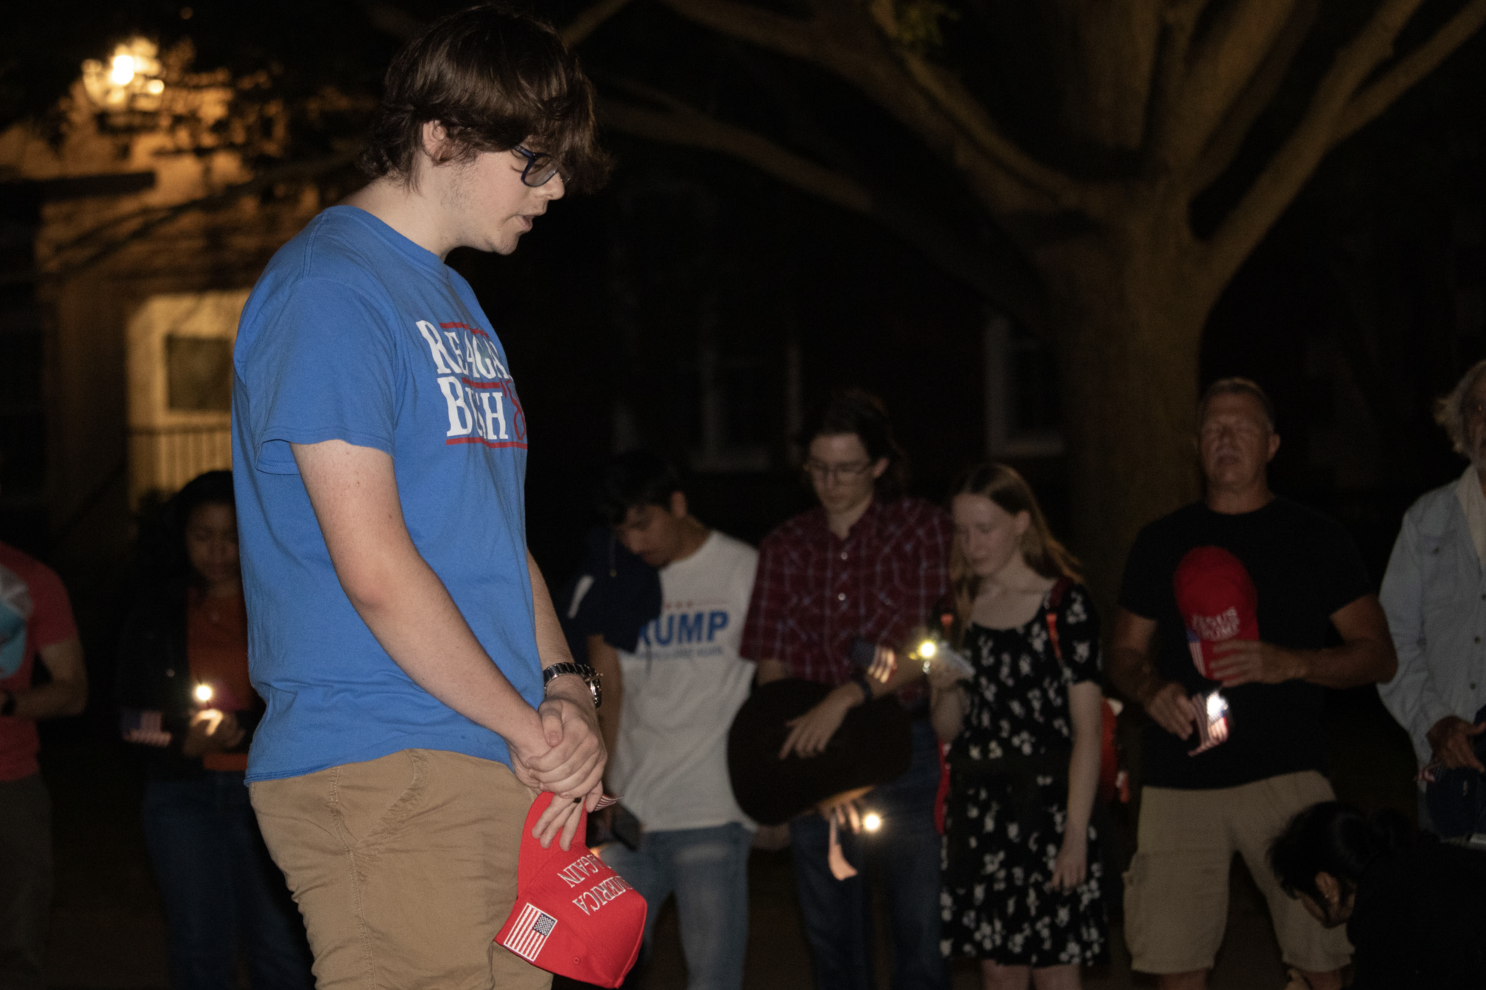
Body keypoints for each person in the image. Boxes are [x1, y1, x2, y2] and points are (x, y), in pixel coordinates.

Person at [229, 8, 611, 988]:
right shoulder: (329, 291)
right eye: (534, 161)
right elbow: (376, 567)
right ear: (442, 136)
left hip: (487, 753)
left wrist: (563, 690)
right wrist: (528, 731)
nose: (555, 188)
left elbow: (491, 538)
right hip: (383, 760)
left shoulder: (453, 300)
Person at [1109, 377, 1397, 990]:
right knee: (1175, 962)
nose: (1226, 438)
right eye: (1213, 428)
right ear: (1196, 444)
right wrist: (1149, 688)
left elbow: (1377, 655)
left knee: (1321, 958)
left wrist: (1292, 663)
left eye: (1241, 427)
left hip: (1288, 774)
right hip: (1180, 777)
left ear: (1272, 444)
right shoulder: (1161, 541)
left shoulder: (1316, 537)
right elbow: (1124, 653)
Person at [740, 388, 953, 990]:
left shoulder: (922, 530)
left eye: (846, 469)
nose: (830, 483)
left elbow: (930, 649)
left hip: (905, 751)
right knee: (834, 944)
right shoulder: (784, 546)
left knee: (920, 938)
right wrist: (812, 769)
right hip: (814, 752)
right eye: (818, 468)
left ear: (879, 465)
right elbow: (771, 669)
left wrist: (848, 695)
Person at [116, 471, 313, 990]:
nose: (219, 551)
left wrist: (243, 731)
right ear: (181, 536)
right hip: (183, 799)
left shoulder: (287, 605)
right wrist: (181, 738)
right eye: (203, 535)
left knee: (280, 946)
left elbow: (316, 701)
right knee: (199, 946)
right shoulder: (156, 613)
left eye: (232, 535)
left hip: (270, 797)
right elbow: (127, 721)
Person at [929, 463, 1106, 990]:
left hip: (1049, 809)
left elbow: (1087, 732)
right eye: (962, 531)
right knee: (998, 971)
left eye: (985, 528)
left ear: (1022, 522)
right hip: (981, 812)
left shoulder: (1064, 605)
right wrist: (944, 688)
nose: (972, 544)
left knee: (1054, 969)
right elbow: (949, 730)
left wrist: (1075, 835)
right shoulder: (954, 612)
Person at [588, 451, 758, 990]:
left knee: (712, 977)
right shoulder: (616, 580)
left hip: (711, 808)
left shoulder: (744, 569)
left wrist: (775, 794)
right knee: (607, 971)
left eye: (643, 524)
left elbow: (776, 684)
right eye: (622, 531)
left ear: (678, 505)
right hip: (630, 814)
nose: (634, 541)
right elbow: (607, 691)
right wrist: (602, 793)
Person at [1378, 360, 1486, 832]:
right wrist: (1437, 722)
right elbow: (1393, 640)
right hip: (1447, 780)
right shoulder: (1427, 520)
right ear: (1462, 425)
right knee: (1447, 882)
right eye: (1477, 408)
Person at [0, 454, 88, 990]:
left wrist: (8, 704)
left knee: (17, 951)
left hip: (11, 782)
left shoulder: (32, 580)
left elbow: (73, 691)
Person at [1269, 801, 1486, 990]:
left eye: (1300, 894)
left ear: (1326, 885)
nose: (1304, 904)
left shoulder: (1386, 911)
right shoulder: (1408, 866)